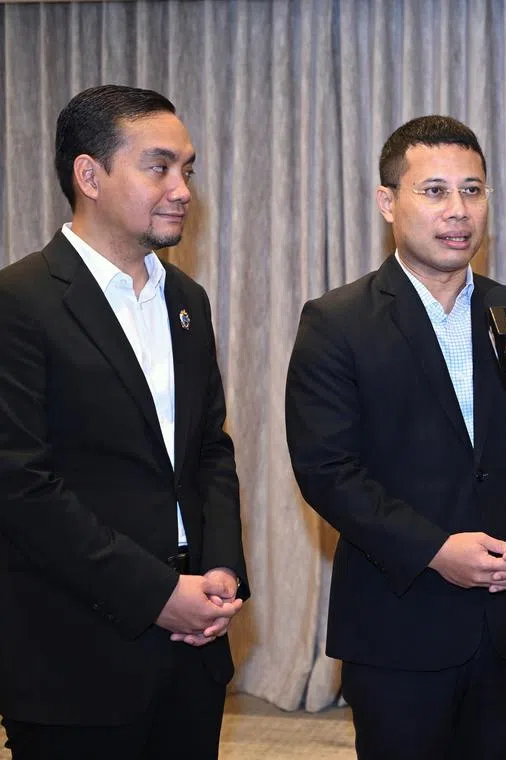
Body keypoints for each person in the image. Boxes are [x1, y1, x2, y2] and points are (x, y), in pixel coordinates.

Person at [284, 115, 506, 760]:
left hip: (505, 629)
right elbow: (327, 469)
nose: (458, 211)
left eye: (473, 191)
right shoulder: (337, 321)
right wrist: (436, 548)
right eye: (435, 191)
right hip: (398, 623)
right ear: (388, 202)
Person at [0, 85, 249, 760]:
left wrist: (220, 567)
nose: (182, 190)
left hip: (193, 647)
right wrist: (157, 592)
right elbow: (20, 487)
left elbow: (209, 451)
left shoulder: (186, 300)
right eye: (158, 166)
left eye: (188, 169)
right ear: (90, 175)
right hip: (74, 658)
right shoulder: (19, 302)